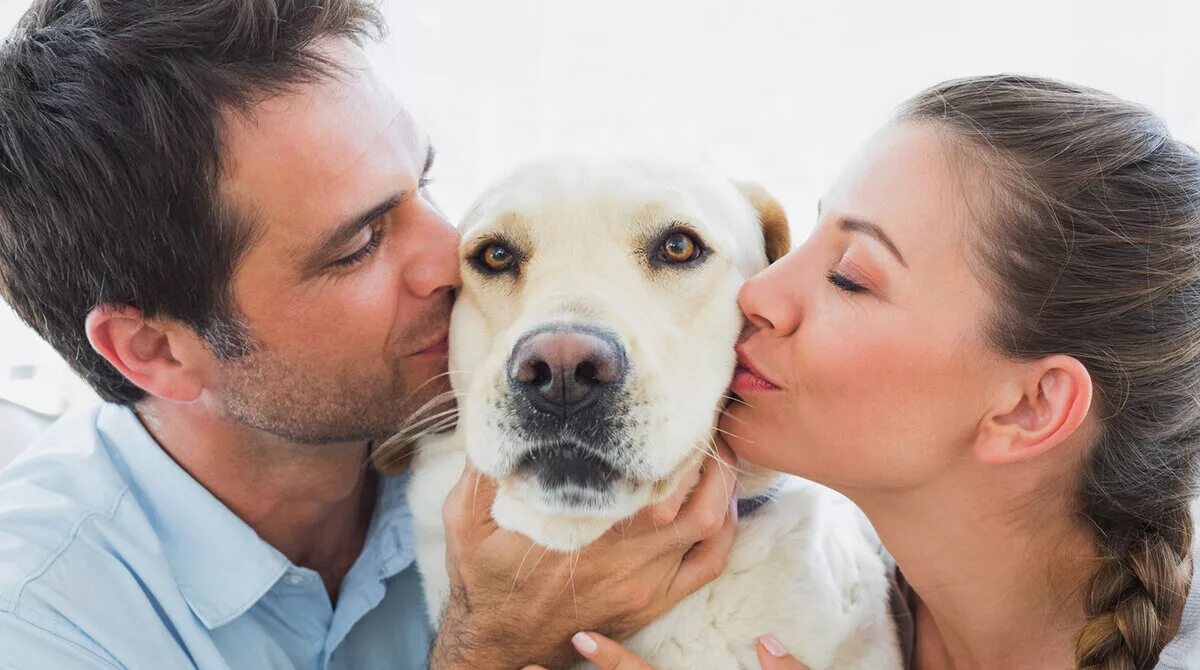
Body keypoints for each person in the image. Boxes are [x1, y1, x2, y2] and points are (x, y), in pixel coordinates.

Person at [0, 1, 740, 668]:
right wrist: (487, 649)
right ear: (157, 351)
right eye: (360, 243)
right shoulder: (36, 618)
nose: (449, 257)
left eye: (423, 185)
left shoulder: (491, 425)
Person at [594, 75, 1200, 669]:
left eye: (850, 276)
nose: (758, 292)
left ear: (1029, 407)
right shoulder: (808, 593)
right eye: (809, 236)